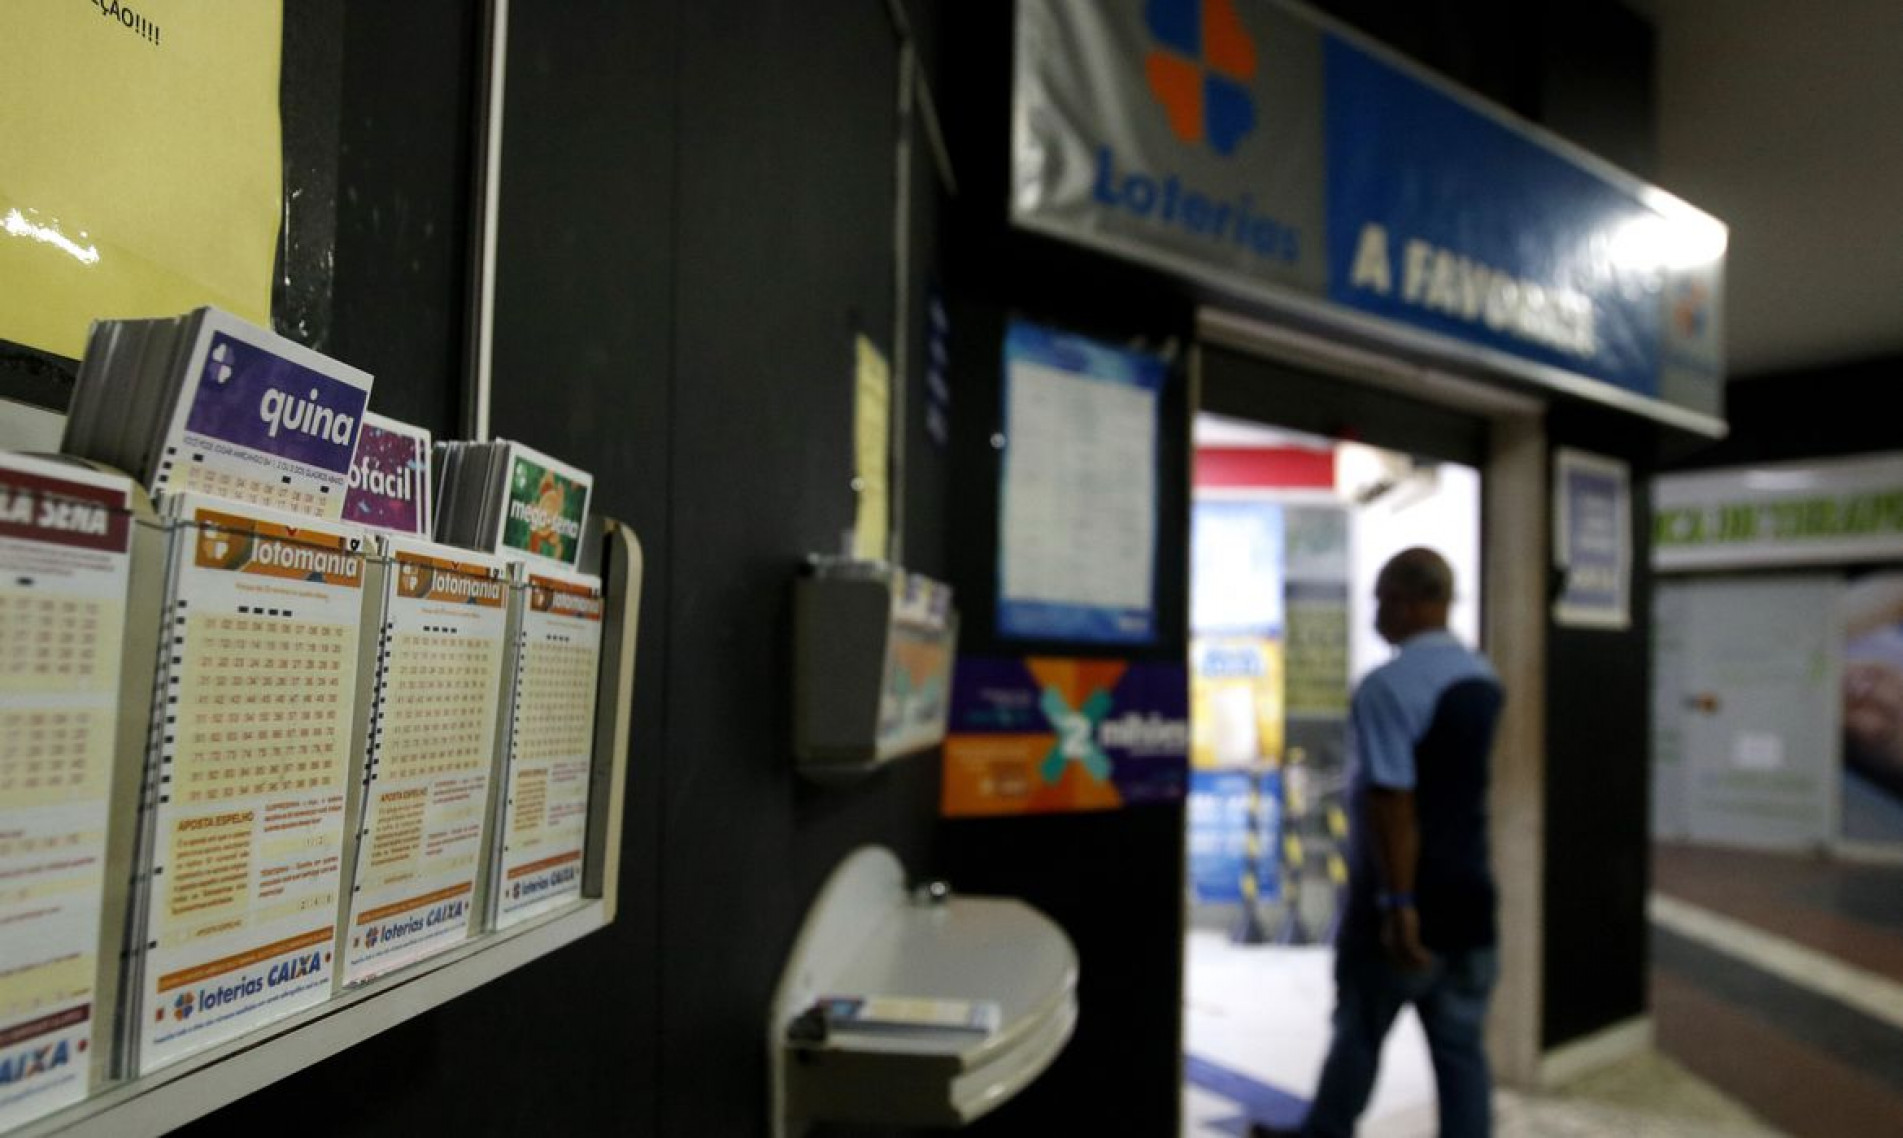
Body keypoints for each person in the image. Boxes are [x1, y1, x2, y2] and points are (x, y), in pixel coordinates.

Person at [1254, 547, 1505, 1138]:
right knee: (1461, 1050)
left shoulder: (1385, 687)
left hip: (1404, 902)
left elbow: (1393, 802)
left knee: (1359, 1031)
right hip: (1472, 896)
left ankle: (1324, 1133)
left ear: (1409, 602)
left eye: (1381, 599)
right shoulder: (1483, 678)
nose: (1374, 613)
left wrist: (1399, 906)